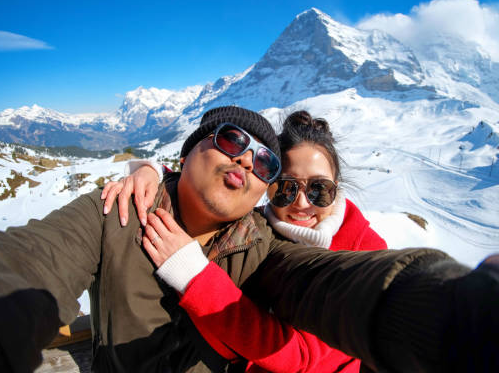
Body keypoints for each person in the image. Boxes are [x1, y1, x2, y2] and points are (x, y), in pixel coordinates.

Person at [0, 106, 499, 373]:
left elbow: (343, 290)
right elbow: (26, 263)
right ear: (189, 151)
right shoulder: (118, 211)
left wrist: (475, 312)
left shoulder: (263, 248)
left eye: (263, 164)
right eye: (231, 140)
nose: (248, 163)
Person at [103, 110, 388, 372]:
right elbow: (205, 192)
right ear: (267, 186)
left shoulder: (365, 253)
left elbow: (301, 355)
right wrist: (150, 173)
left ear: (337, 188)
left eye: (319, 189)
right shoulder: (258, 232)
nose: (301, 203)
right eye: (286, 189)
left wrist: (194, 276)